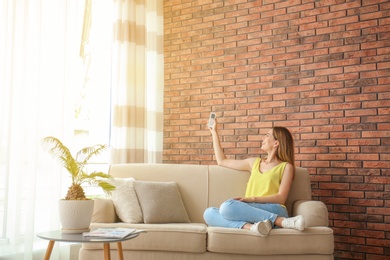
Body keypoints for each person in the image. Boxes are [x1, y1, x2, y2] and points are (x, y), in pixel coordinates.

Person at [203, 118, 305, 237]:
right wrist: (214, 132)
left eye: (267, 135)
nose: (263, 138)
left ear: (276, 143)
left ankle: (279, 220)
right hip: (252, 214)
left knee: (227, 206)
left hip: (275, 209)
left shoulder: (286, 167)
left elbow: (281, 198)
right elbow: (222, 161)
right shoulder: (254, 163)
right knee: (209, 213)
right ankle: (254, 228)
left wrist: (251, 199)